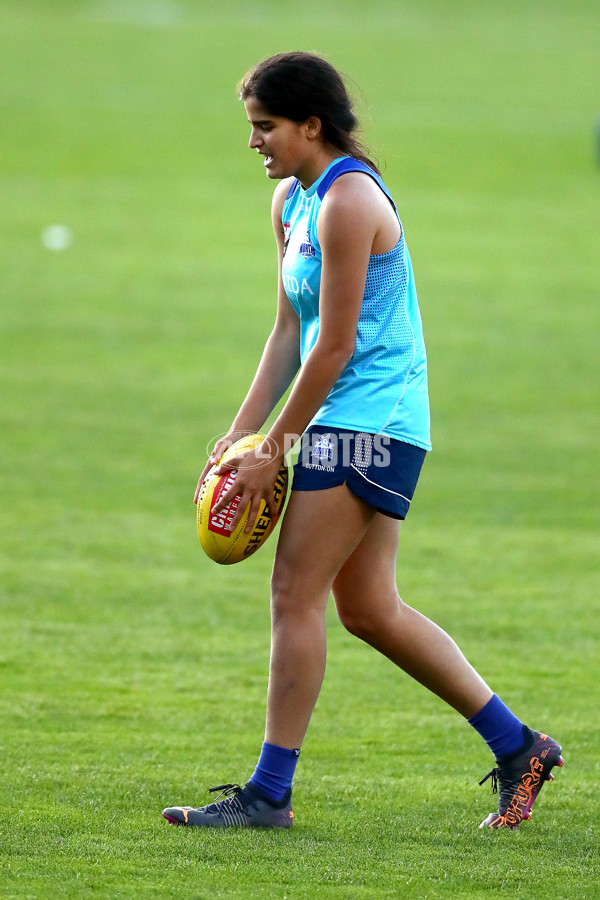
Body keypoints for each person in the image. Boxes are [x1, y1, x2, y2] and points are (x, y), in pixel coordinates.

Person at [162, 52, 563, 831]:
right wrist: (242, 432)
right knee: (370, 608)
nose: (255, 142)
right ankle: (521, 747)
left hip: (370, 423)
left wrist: (273, 451)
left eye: (265, 127)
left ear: (312, 125)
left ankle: (269, 795)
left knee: (293, 594)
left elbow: (336, 346)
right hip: (347, 417)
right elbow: (289, 329)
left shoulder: (350, 201)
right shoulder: (291, 201)